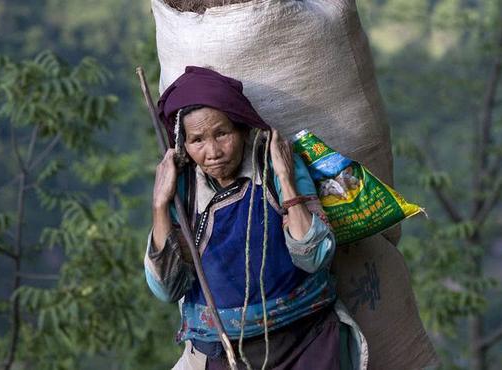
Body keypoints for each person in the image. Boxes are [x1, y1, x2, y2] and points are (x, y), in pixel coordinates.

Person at [143, 66, 368, 369]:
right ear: (184, 145)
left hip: (305, 339)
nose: (212, 152)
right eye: (197, 140)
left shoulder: (273, 164)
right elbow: (166, 290)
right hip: (223, 352)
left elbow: (315, 257)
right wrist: (160, 204)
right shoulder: (183, 188)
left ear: (242, 129)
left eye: (222, 134)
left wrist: (287, 180)